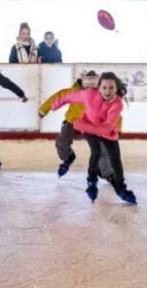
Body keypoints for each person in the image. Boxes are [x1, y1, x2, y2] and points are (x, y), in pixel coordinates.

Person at [51, 72, 137, 205]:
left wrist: (81, 125)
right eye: (104, 87)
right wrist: (57, 103)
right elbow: (70, 96)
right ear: (99, 88)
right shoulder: (89, 94)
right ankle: (91, 181)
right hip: (89, 125)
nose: (107, 91)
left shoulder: (117, 104)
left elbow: (107, 128)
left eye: (111, 88)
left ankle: (120, 187)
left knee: (115, 159)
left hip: (106, 132)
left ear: (116, 88)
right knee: (95, 151)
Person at [39, 70, 98, 176]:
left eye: (92, 82)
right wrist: (43, 110)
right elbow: (57, 97)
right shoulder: (74, 92)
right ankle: (68, 156)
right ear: (82, 81)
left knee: (101, 146)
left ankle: (106, 172)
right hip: (73, 123)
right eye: (87, 82)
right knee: (62, 140)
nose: (89, 85)